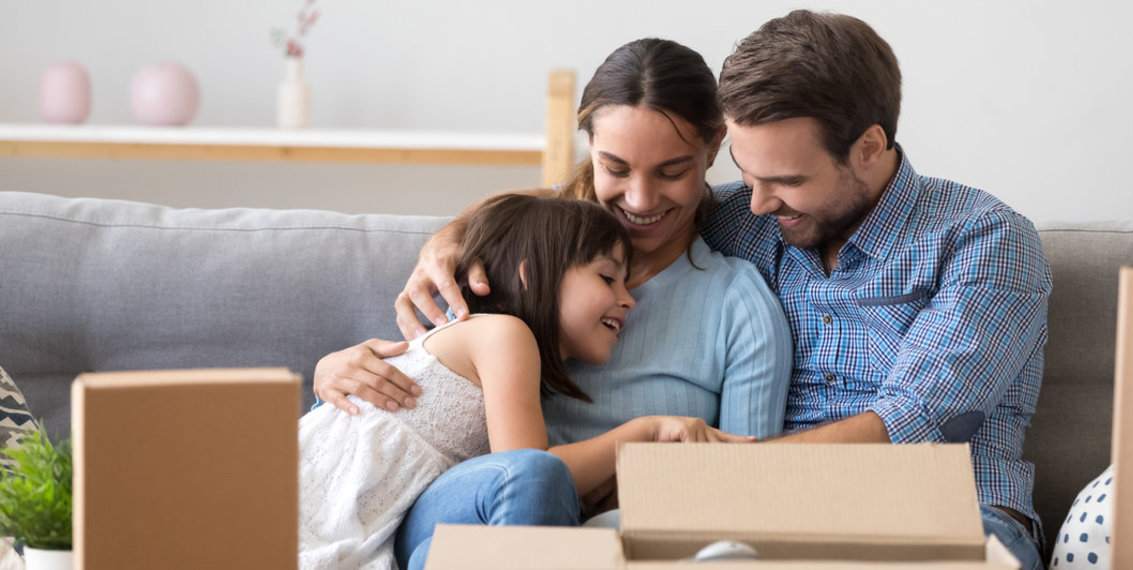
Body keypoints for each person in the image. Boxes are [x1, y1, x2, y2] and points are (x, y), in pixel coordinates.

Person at [402, 11, 1052, 569]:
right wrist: (453, 238)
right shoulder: (749, 216)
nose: (756, 201)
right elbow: (579, 214)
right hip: (757, 527)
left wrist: (680, 481)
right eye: (744, 173)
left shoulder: (984, 239)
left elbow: (912, 424)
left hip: (945, 518)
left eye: (786, 180)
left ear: (867, 147)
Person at [311, 38, 793, 570]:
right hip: (472, 506)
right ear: (589, 145)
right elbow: (427, 382)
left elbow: (746, 479)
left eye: (672, 171)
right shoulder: (531, 260)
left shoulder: (738, 304)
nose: (639, 199)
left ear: (714, 146)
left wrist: (646, 493)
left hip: (614, 537)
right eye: (615, 167)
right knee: (535, 476)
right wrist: (334, 372)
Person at [298, 194, 751, 569]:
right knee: (538, 473)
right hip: (320, 514)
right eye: (607, 277)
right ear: (531, 273)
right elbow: (527, 465)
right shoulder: (503, 334)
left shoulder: (508, 352)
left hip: (404, 523)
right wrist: (645, 431)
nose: (628, 300)